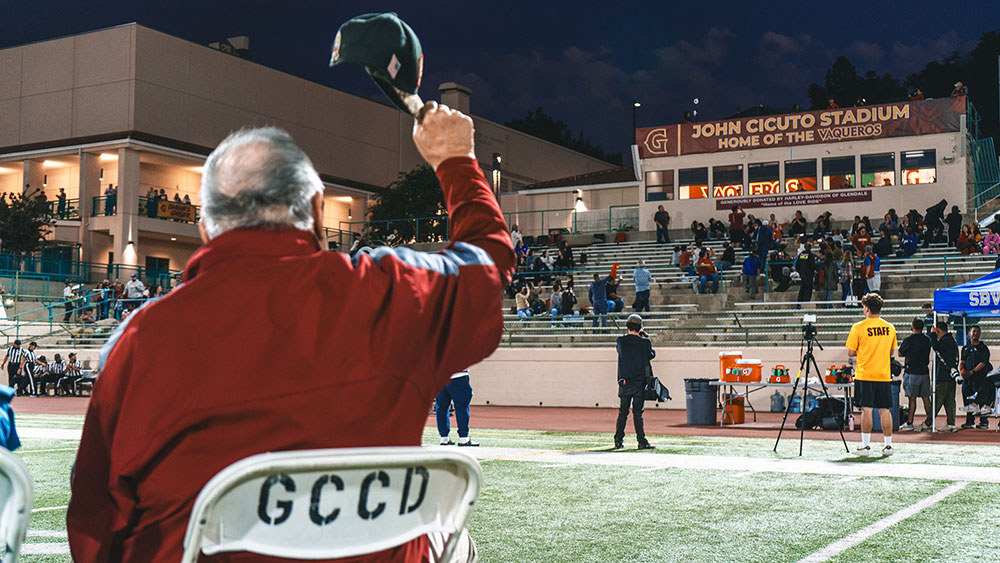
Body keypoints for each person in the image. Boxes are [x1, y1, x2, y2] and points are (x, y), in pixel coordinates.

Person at [67, 100, 515, 562]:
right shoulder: (391, 293)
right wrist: (455, 159)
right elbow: (488, 264)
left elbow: (94, 523)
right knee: (455, 543)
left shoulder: (137, 341)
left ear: (205, 231)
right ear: (318, 211)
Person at [846, 293, 898, 456]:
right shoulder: (890, 327)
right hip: (883, 374)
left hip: (865, 374)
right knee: (885, 410)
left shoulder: (858, 327)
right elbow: (891, 352)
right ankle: (888, 446)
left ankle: (865, 446)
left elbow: (851, 352)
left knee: (866, 410)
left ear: (867, 308)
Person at [613, 314, 655, 450]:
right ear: (640, 327)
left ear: (627, 326)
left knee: (623, 412)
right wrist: (646, 338)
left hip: (624, 381)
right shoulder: (644, 342)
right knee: (638, 413)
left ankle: (618, 440)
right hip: (639, 381)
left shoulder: (621, 341)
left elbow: (620, 350)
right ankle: (641, 441)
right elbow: (651, 355)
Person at [898, 318, 933, 431]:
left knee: (912, 399)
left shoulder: (909, 340)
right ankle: (929, 422)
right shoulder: (927, 340)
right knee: (926, 398)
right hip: (924, 372)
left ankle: (910, 422)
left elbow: (900, 353)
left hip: (912, 372)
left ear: (912, 326)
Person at [958, 326, 992, 429]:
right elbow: (962, 361)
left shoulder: (983, 348)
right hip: (967, 380)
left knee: (981, 399)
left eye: (978, 332)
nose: (975, 333)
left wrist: (972, 372)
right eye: (974, 331)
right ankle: (970, 421)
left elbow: (983, 363)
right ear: (969, 333)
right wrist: (962, 370)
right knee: (967, 400)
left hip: (980, 378)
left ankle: (984, 421)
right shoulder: (965, 348)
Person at [930, 320, 960, 432]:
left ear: (938, 331)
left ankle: (929, 422)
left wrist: (932, 335)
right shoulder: (951, 340)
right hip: (950, 377)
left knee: (937, 401)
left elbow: (936, 347)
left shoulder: (945, 341)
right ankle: (951, 423)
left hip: (942, 377)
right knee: (950, 401)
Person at [435, 369, 478, 447]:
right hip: (458, 376)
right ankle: (463, 438)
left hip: (440, 376)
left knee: (441, 407)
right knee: (462, 407)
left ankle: (444, 437)